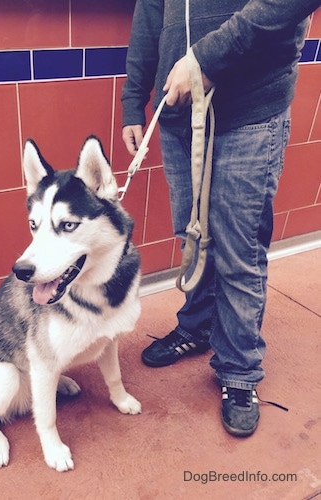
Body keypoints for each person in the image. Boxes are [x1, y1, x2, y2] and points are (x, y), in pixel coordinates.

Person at [121, 0, 321, 437]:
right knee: (191, 238)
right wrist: (134, 99)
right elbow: (151, 11)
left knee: (238, 252)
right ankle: (198, 326)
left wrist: (205, 60)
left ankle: (239, 370)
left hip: (251, 112)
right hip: (177, 117)